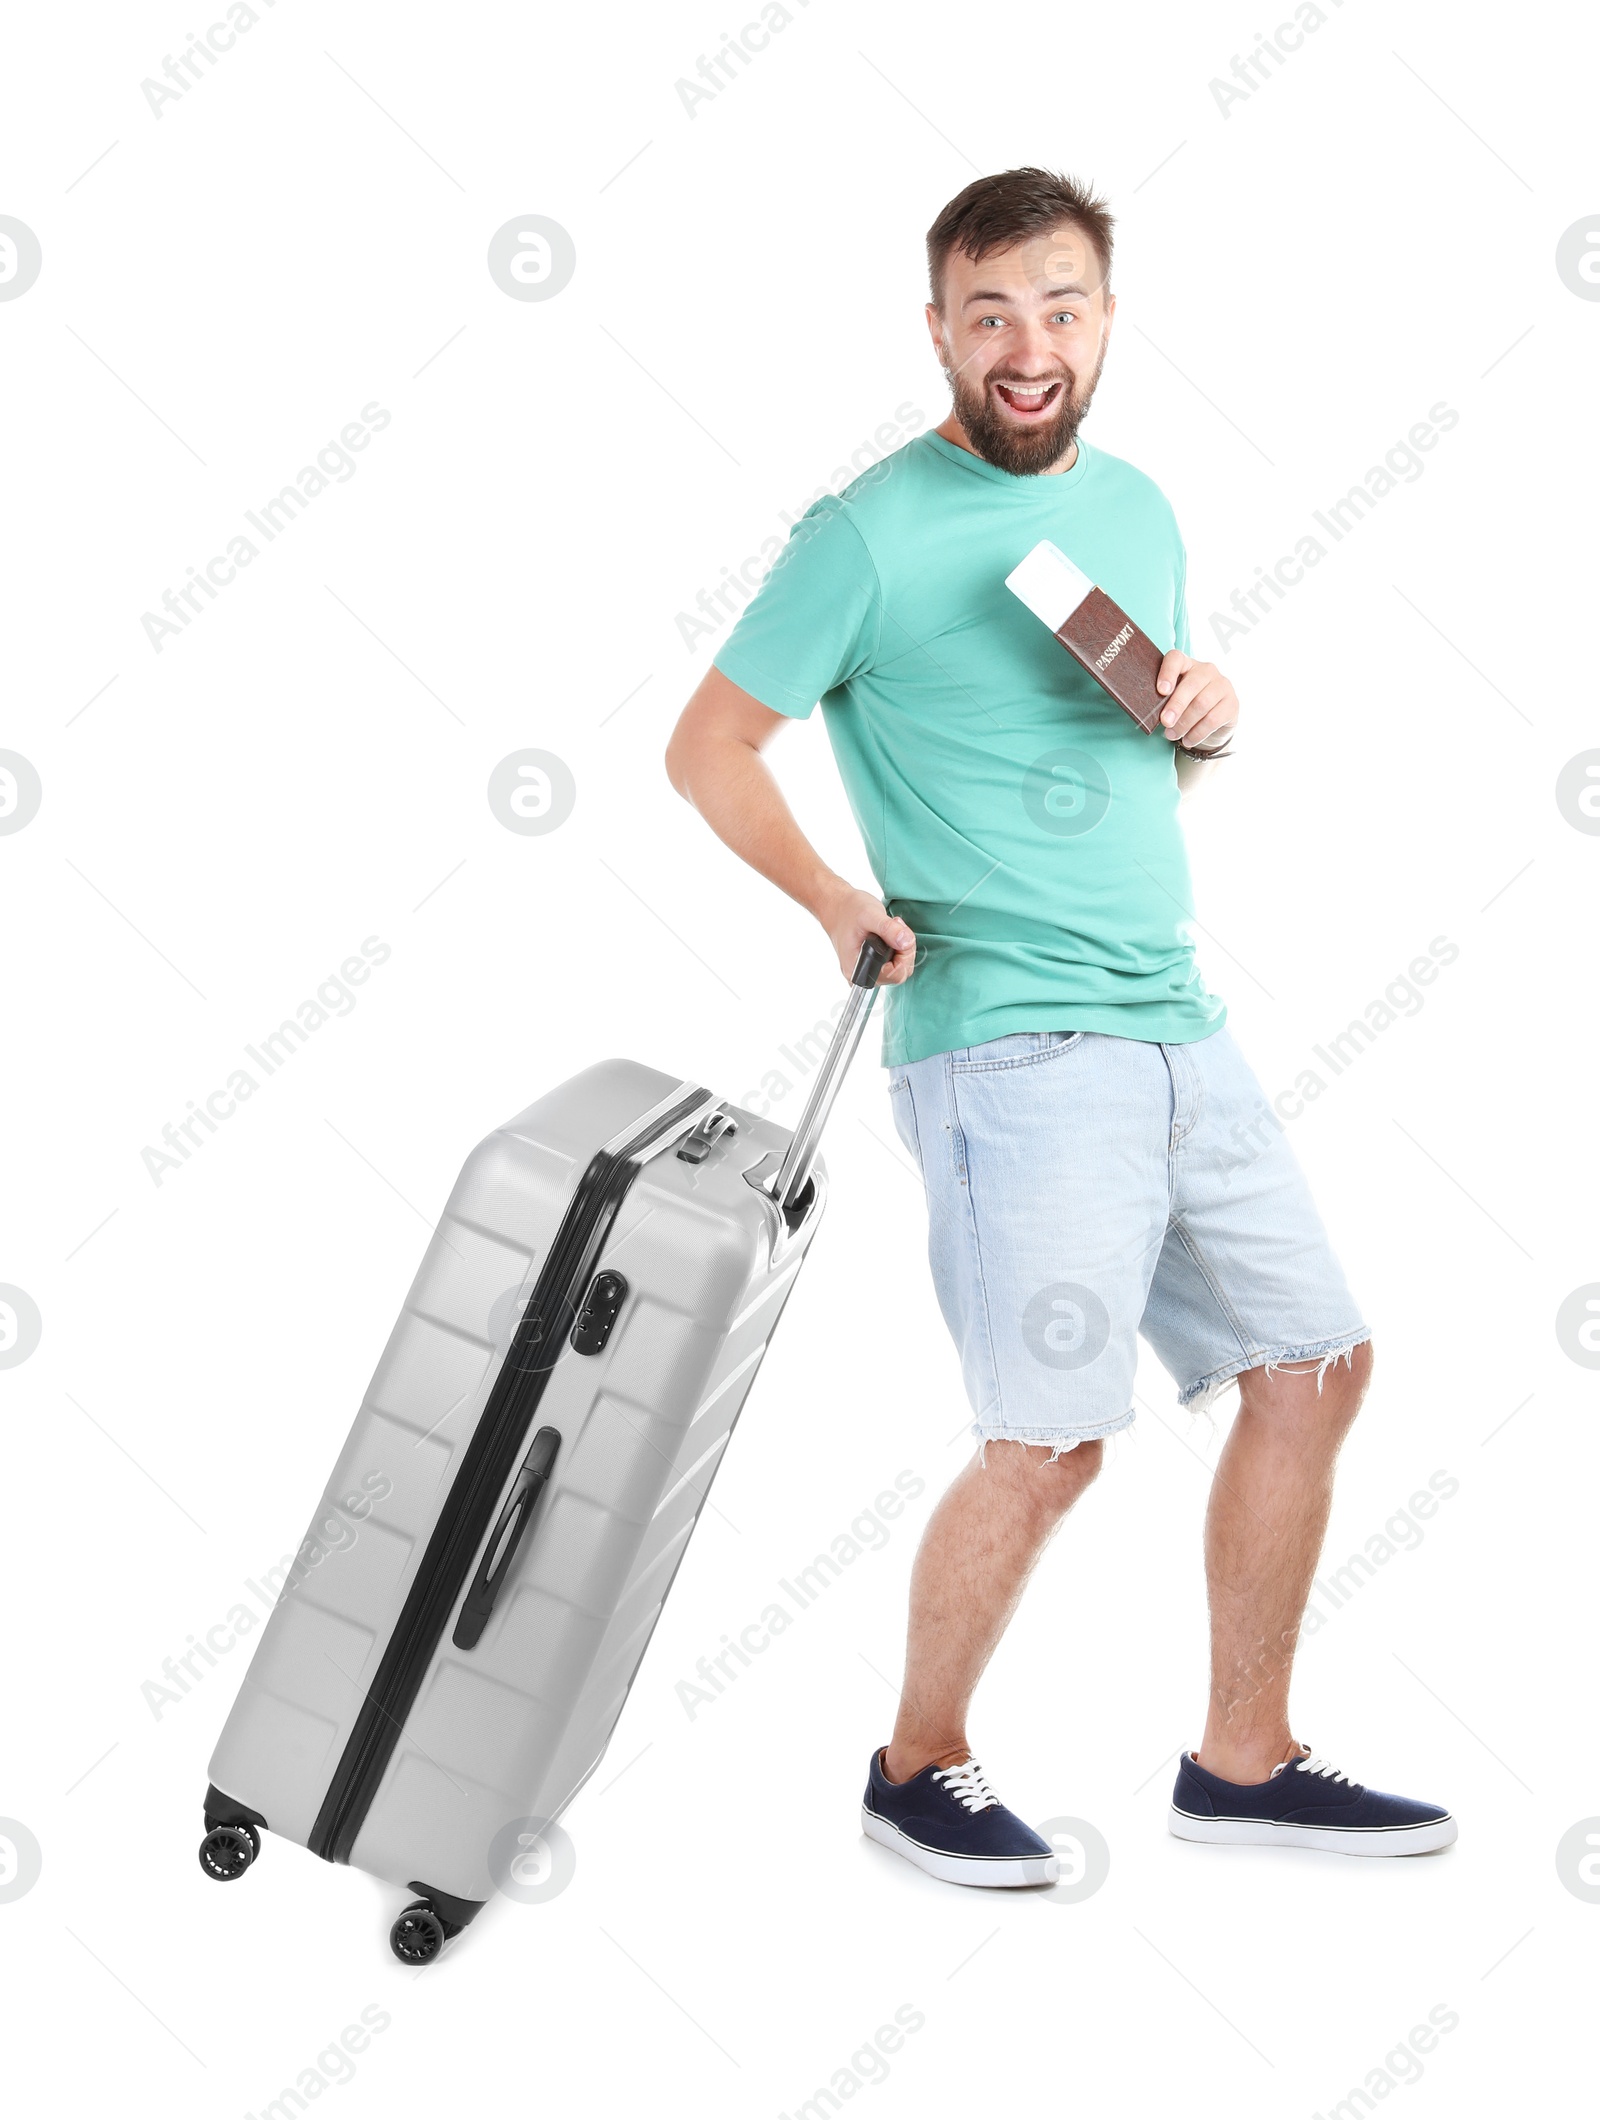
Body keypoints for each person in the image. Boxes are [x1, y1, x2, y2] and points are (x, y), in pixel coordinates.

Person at [664, 167, 1455, 1885]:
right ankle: (913, 1764)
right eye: (991, 311)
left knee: (1316, 1369)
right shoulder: (866, 531)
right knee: (1049, 1439)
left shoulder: (1144, 508)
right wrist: (827, 896)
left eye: (1061, 305)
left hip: (1179, 1019)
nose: (1028, 345)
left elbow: (1140, 753)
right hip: (1009, 1045)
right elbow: (706, 745)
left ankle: (1242, 1765)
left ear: (1106, 316)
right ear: (939, 329)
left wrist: (1209, 716)